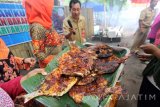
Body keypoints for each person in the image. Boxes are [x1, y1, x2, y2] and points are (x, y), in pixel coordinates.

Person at [23, 0, 62, 68]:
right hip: (51, 67)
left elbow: (48, 40)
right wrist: (55, 60)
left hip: (57, 62)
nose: (51, 9)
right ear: (43, 6)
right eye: (49, 6)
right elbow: (39, 54)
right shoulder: (37, 27)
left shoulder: (46, 21)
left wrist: (58, 39)